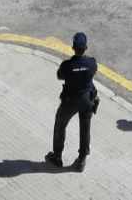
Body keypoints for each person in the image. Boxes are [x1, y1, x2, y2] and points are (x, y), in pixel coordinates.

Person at [46, 32, 98, 171]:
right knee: (85, 128)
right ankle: (81, 160)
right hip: (87, 100)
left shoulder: (67, 65)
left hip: (70, 101)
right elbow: (93, 72)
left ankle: (57, 157)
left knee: (60, 125)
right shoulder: (92, 63)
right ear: (86, 47)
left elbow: (59, 76)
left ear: (73, 47)